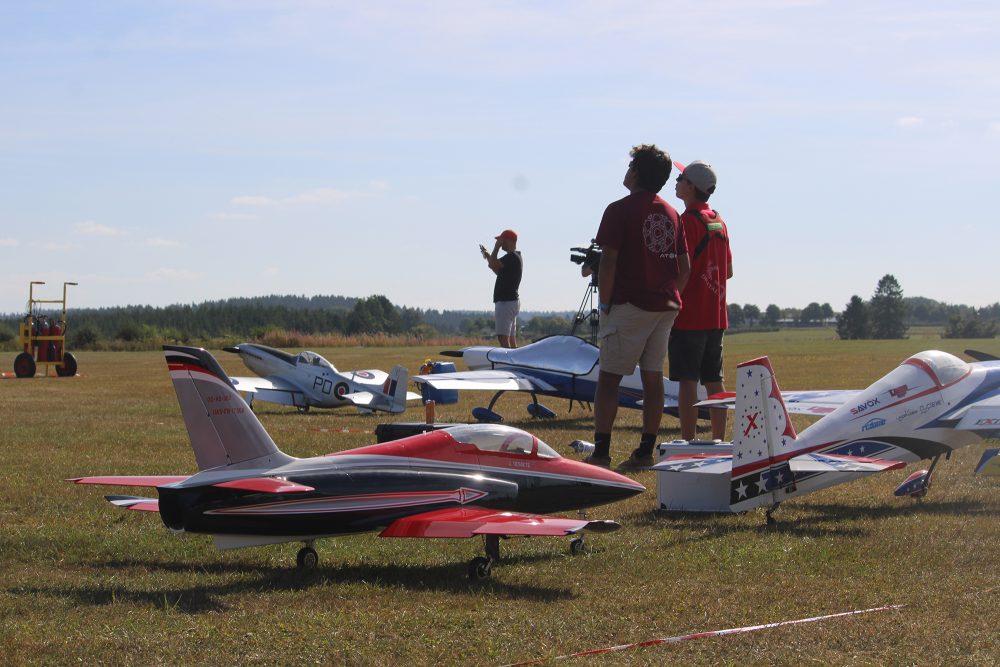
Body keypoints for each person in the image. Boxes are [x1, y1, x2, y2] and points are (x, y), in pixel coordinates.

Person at [584, 144, 691, 469]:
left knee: (609, 379)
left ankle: (601, 452)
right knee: (653, 376)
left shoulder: (618, 210)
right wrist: (669, 293)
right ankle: (645, 451)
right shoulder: (672, 213)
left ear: (637, 173)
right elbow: (684, 267)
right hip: (665, 305)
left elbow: (610, 261)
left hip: (630, 304)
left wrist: (605, 304)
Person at [669, 160, 732, 441]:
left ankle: (688, 440)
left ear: (691, 187)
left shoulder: (685, 223)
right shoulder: (719, 220)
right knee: (714, 380)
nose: (677, 181)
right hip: (716, 316)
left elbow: (681, 270)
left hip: (689, 315)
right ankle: (720, 438)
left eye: (681, 177)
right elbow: (727, 271)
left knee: (687, 381)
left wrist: (671, 302)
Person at [480, 229, 522, 348]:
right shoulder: (515, 257)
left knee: (503, 338)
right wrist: (488, 255)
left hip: (505, 302)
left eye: (501, 240)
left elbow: (493, 264)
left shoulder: (511, 257)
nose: (500, 242)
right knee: (511, 339)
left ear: (508, 240)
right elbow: (497, 269)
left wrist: (496, 247)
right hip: (511, 302)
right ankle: (516, 362)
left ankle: (507, 364)